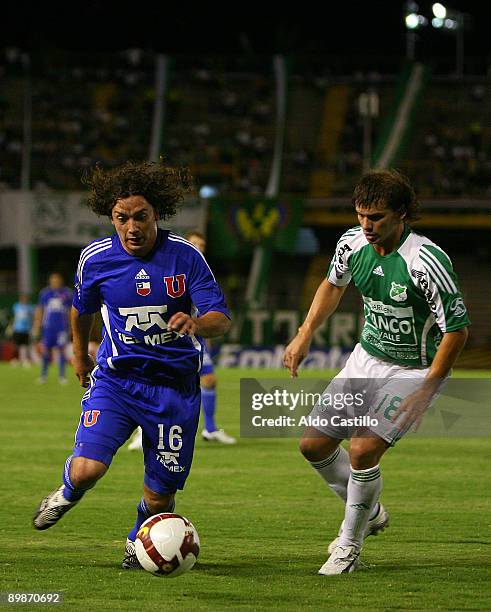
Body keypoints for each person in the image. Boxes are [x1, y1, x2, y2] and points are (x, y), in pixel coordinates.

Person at [32, 160, 231, 570]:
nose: (132, 227)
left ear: (156, 212)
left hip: (174, 389)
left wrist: (196, 322)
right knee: (87, 470)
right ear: (112, 218)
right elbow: (80, 309)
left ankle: (136, 543)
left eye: (141, 216)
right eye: (122, 218)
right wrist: (78, 353)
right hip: (117, 381)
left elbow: (221, 317)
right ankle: (66, 493)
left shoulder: (186, 257)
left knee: (160, 496)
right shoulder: (96, 259)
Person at [283, 169, 469, 575]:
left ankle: (349, 543)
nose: (367, 225)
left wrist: (428, 388)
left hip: (416, 369)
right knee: (312, 445)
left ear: (402, 214)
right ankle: (370, 512)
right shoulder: (351, 243)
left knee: (363, 449)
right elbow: (332, 285)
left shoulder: (426, 261)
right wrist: (305, 333)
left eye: (378, 217)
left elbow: (457, 330)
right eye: (362, 215)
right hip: (367, 358)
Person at [127, 230, 235, 450]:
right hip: (164, 338)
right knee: (153, 384)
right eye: (196, 244)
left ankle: (211, 429)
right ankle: (142, 433)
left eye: (203, 245)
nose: (200, 248)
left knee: (209, 380)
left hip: (193, 338)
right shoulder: (171, 266)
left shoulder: (199, 269)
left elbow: (208, 310)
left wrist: (206, 332)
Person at [32, 273, 72, 384]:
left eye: (57, 280)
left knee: (62, 350)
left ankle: (62, 376)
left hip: (61, 328)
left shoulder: (66, 293)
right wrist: (37, 324)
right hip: (48, 327)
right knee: (46, 350)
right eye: (53, 280)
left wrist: (71, 326)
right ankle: (43, 375)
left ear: (61, 281)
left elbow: (70, 311)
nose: (55, 282)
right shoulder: (45, 293)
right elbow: (40, 309)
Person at [10, 294, 35, 367]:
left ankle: (25, 360)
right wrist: (11, 326)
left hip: (27, 329)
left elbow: (32, 317)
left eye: (25, 298)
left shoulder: (30, 307)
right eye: (22, 298)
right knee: (16, 345)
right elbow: (14, 317)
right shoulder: (16, 306)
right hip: (17, 329)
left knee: (26, 346)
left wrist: (33, 326)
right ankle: (14, 359)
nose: (24, 300)